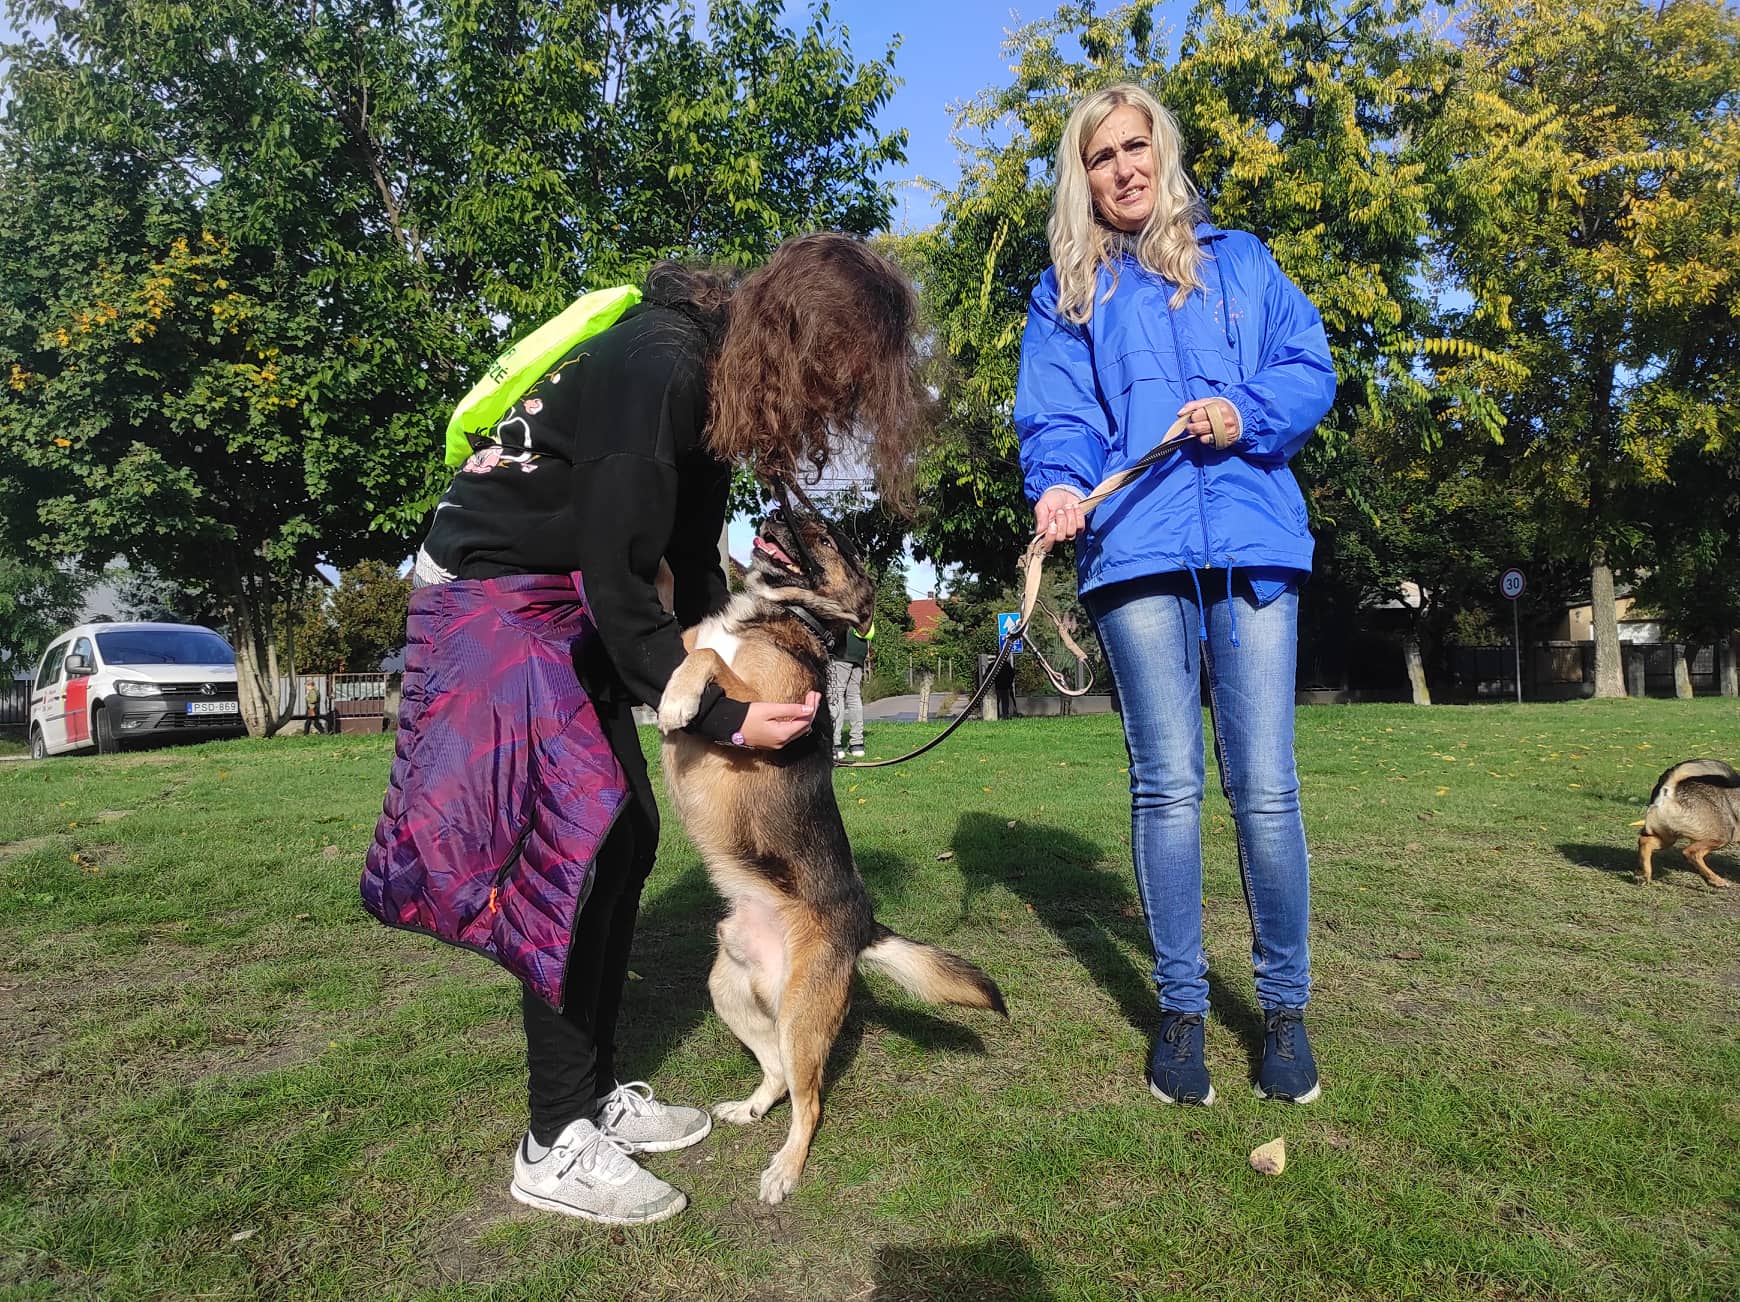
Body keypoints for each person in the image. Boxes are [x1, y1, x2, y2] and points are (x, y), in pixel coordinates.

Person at [363, 233, 923, 1225]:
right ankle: (553, 1141)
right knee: (578, 848)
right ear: (798, 339)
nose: (829, 409)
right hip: (494, 593)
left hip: (560, 598)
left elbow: (689, 566)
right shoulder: (661, 364)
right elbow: (621, 578)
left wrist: (733, 682)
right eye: (834, 382)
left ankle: (592, 1097)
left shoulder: (711, 386)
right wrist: (727, 717)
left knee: (627, 835)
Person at [1015, 84, 1335, 1107]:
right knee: (1167, 788)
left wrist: (1245, 413)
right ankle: (1183, 1011)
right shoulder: (1069, 290)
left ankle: (1284, 1011)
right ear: (1083, 175)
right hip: (1137, 553)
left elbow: (1308, 366)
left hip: (1254, 547)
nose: (1123, 168)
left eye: (1135, 146)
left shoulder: (1242, 261)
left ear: (1164, 150)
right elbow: (1057, 418)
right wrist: (1059, 485)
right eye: (1101, 155)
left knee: (1267, 789)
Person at [828, 619, 872, 759]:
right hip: (860, 650)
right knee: (854, 696)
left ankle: (835, 744)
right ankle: (857, 744)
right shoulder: (861, 607)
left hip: (842, 650)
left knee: (836, 694)